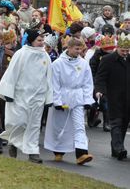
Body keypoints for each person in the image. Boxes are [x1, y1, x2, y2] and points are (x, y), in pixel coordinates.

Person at [0, 29, 53, 163]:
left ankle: (33, 152)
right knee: (19, 122)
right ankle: (13, 142)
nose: (42, 43)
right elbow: (12, 73)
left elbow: (49, 77)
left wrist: (49, 97)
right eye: (39, 40)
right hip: (20, 95)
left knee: (34, 125)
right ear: (31, 40)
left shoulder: (45, 56)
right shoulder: (21, 54)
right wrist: (7, 92)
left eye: (42, 41)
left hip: (37, 97)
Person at [44, 37, 94, 165]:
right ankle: (58, 151)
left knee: (79, 126)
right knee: (60, 125)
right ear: (69, 48)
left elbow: (88, 83)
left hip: (77, 97)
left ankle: (81, 153)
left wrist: (88, 100)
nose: (79, 51)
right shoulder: (58, 64)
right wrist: (57, 101)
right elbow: (54, 84)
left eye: (80, 49)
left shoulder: (83, 64)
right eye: (76, 49)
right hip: (63, 96)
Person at [94, 30, 130, 160]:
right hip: (113, 96)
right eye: (123, 50)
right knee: (116, 122)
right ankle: (120, 149)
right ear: (117, 48)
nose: (125, 53)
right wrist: (99, 90)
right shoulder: (107, 60)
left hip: (128, 98)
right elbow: (100, 77)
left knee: (124, 123)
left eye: (127, 50)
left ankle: (116, 148)